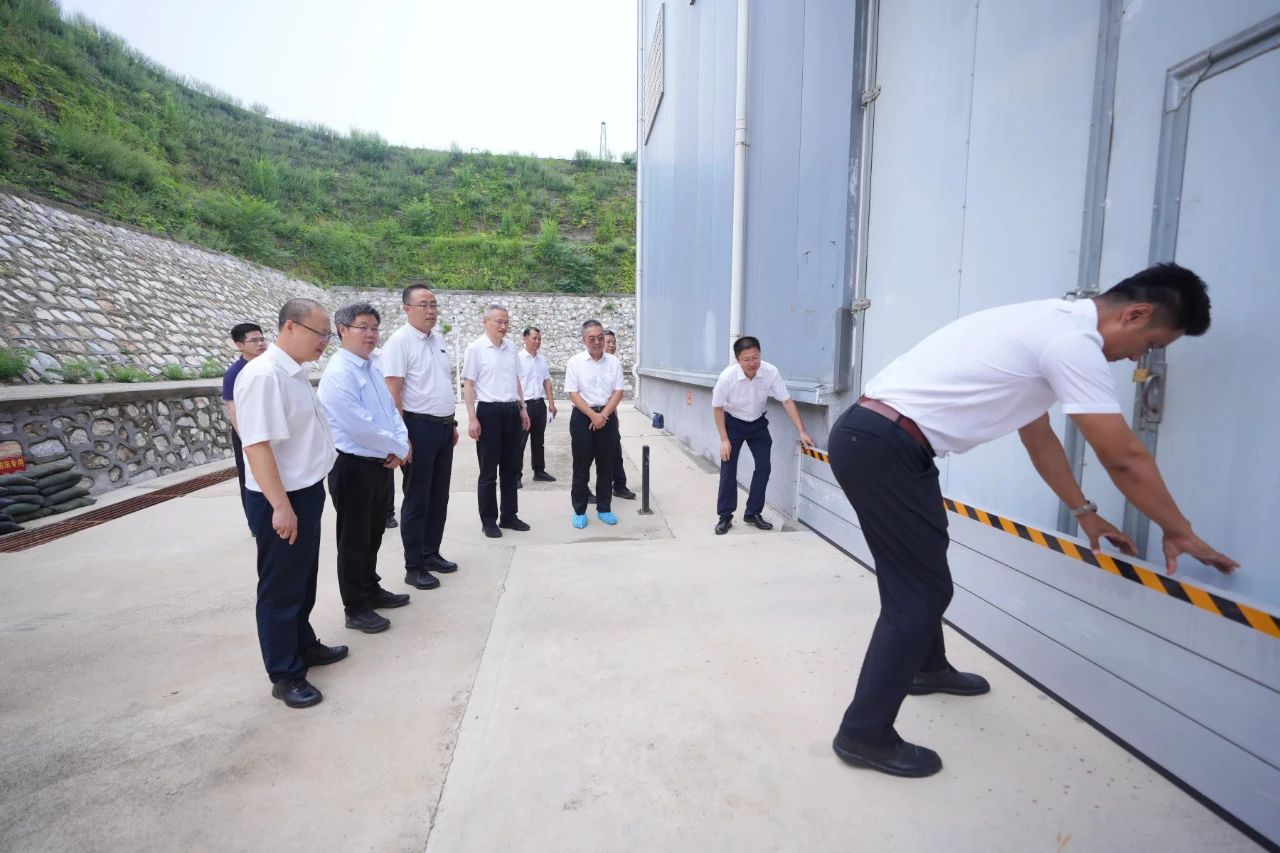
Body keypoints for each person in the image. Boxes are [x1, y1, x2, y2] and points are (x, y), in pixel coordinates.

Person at [826, 263, 1239, 778]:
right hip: (885, 445)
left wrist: (1085, 513)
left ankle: (925, 669)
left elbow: (1038, 436)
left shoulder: (1047, 325)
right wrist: (1179, 531)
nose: (1138, 358)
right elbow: (1124, 457)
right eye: (1150, 344)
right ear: (1136, 314)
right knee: (919, 594)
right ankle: (863, 735)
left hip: (883, 442)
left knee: (922, 573)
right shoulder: (1071, 342)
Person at [235, 298, 342, 709]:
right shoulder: (264, 375)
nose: (324, 342)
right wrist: (281, 506)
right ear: (290, 328)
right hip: (280, 496)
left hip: (305, 489)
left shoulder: (293, 372)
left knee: (303, 578)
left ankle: (303, 644)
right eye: (320, 333)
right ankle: (284, 674)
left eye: (327, 335)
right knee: (280, 588)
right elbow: (257, 445)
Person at [318, 303, 413, 635]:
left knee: (373, 533)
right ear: (342, 330)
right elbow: (360, 426)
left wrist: (400, 444)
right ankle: (355, 607)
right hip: (353, 465)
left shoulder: (371, 367)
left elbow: (390, 411)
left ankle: (370, 588)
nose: (371, 334)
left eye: (374, 328)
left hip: (380, 462)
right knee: (353, 539)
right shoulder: (339, 373)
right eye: (363, 327)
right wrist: (398, 448)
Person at [381, 283, 459, 591]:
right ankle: (414, 567)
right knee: (417, 498)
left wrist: (451, 423)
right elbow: (393, 392)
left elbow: (440, 385)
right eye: (423, 305)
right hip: (417, 427)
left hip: (442, 427)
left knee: (439, 496)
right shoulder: (399, 342)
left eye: (433, 305)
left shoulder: (437, 339)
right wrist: (402, 437)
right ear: (407, 309)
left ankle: (431, 553)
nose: (430, 311)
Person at [711, 336, 815, 534]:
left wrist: (801, 430)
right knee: (728, 469)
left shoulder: (770, 372)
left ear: (760, 354)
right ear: (737, 360)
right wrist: (724, 439)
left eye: (755, 357)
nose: (752, 363)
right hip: (732, 424)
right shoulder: (727, 377)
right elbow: (717, 408)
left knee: (764, 467)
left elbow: (786, 401)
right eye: (746, 359)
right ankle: (725, 516)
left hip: (758, 424)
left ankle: (753, 513)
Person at [463, 304, 532, 538]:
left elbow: (516, 379)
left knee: (511, 468)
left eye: (506, 322)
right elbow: (469, 384)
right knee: (488, 470)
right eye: (498, 322)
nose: (503, 326)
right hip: (488, 412)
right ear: (485, 322)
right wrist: (472, 418)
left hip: (511, 410)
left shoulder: (511, 347)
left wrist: (522, 408)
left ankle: (509, 515)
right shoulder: (476, 348)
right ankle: (488, 520)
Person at [564, 320, 626, 529]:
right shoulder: (575, 362)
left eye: (600, 337)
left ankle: (604, 508)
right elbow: (573, 393)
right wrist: (593, 415)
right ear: (584, 340)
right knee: (581, 465)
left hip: (607, 416)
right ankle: (579, 510)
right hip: (583, 417)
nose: (597, 342)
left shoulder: (614, 362)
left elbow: (618, 391)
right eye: (592, 338)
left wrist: (603, 415)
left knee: (606, 464)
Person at [222, 322, 267, 533]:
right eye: (254, 340)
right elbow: (233, 408)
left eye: (262, 339)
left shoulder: (268, 366)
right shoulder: (234, 373)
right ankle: (255, 524)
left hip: (266, 429)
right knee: (250, 477)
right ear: (239, 345)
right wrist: (247, 439)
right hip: (247, 434)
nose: (261, 343)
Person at [518, 326, 558, 487]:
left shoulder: (541, 360)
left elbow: (546, 382)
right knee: (519, 442)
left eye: (539, 339)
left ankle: (539, 471)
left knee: (538, 441)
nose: (537, 341)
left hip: (539, 404)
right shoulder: (518, 359)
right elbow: (514, 383)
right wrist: (521, 406)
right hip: (524, 405)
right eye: (534, 338)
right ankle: (515, 475)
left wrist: (551, 403)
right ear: (525, 338)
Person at [603, 330, 636, 501]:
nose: (612, 345)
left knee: (616, 452)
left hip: (610, 414)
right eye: (608, 342)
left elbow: (616, 393)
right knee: (588, 456)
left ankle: (619, 486)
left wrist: (614, 415)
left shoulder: (615, 363)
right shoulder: (593, 363)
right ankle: (586, 490)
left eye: (614, 342)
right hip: (592, 414)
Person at [370, 344, 398, 530]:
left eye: (374, 330)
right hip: (366, 424)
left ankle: (388, 512)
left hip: (386, 420)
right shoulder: (341, 364)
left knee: (388, 469)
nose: (369, 334)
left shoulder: (383, 357)